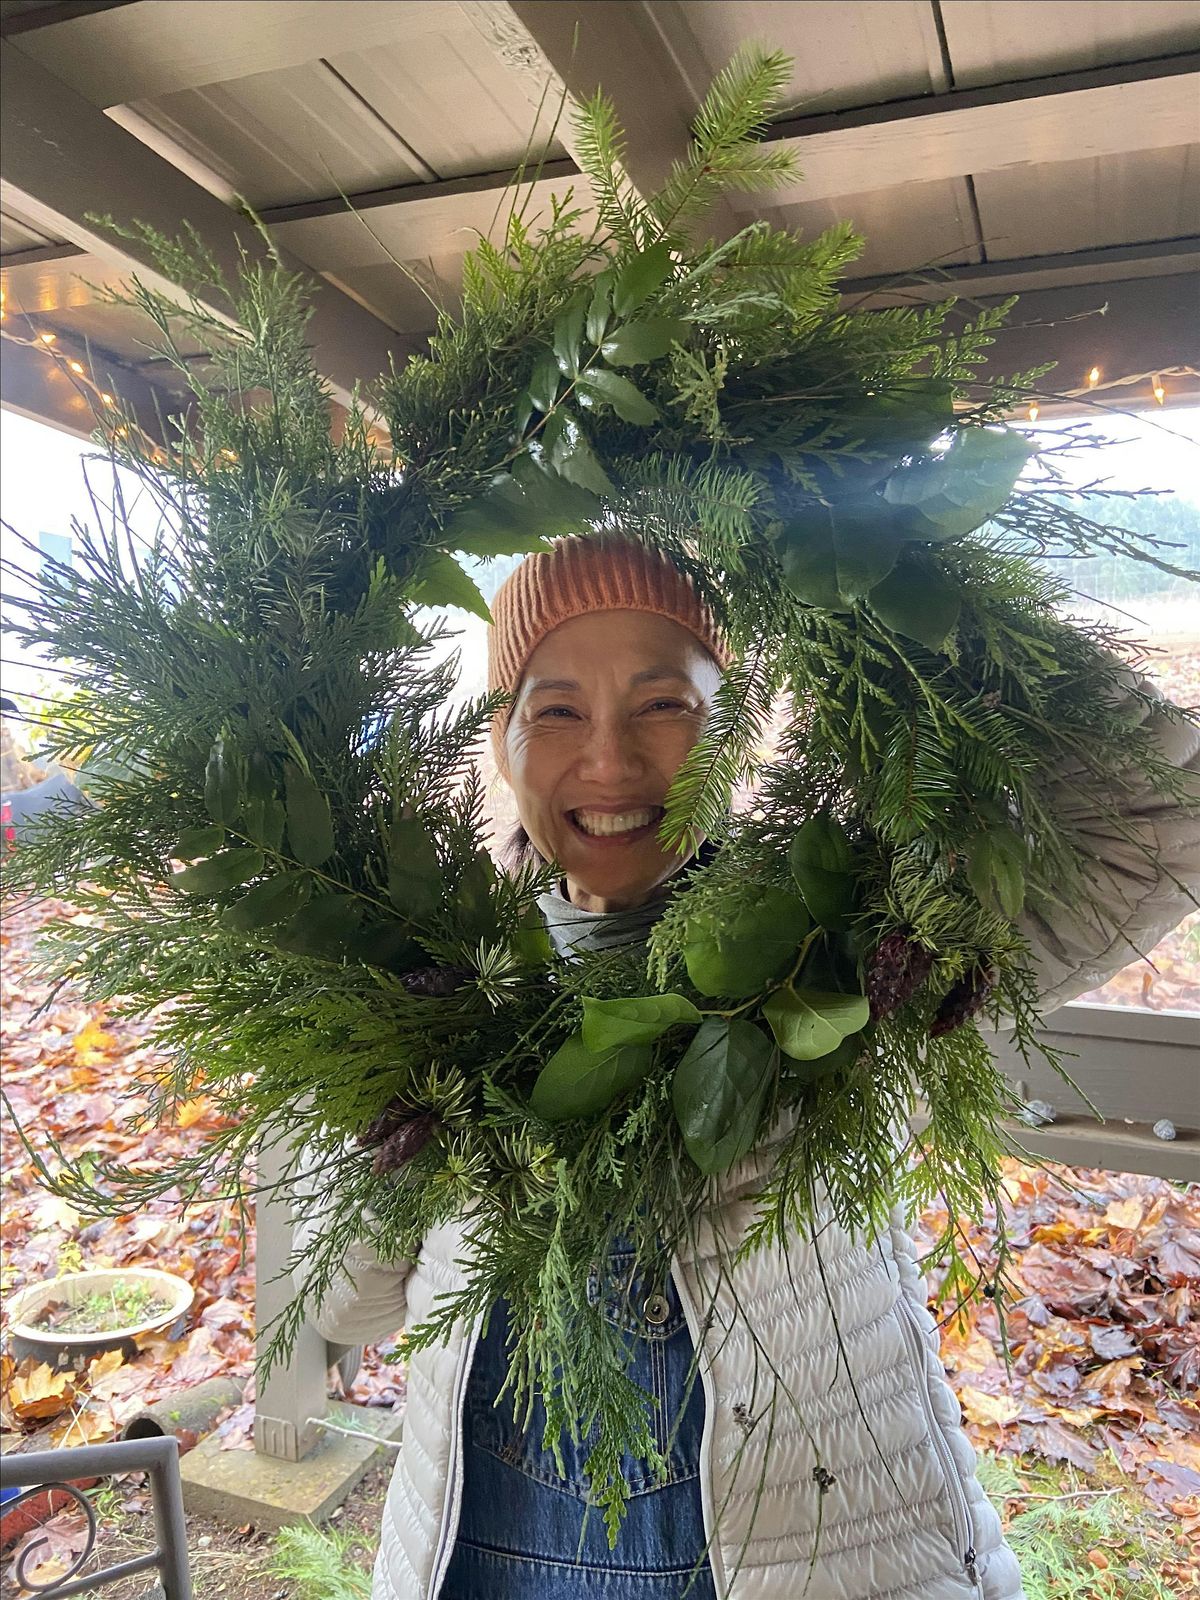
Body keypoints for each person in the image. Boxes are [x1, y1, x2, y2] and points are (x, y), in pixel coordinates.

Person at [295, 535, 1199, 1600]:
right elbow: (346, 1307)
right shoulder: (430, 980)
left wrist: (880, 580)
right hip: (484, 1564)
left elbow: (1164, 810)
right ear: (501, 741)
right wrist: (396, 1104)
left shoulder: (858, 941)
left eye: (665, 703)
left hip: (830, 1556)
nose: (611, 761)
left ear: (736, 722)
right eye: (555, 710)